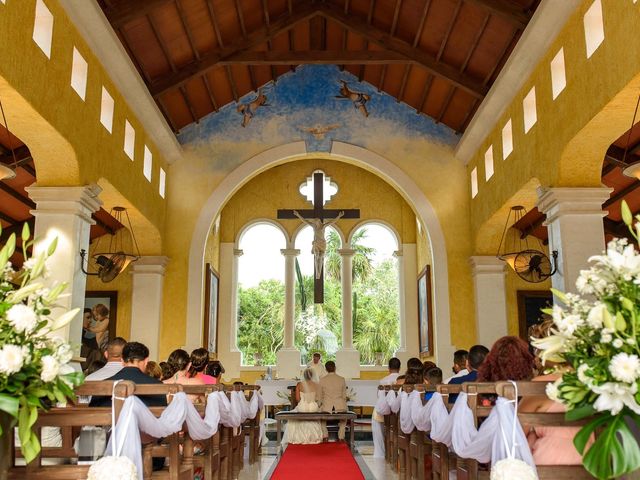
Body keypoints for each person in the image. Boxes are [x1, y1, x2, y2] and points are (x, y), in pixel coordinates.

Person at [519, 319, 586, 465]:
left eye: (537, 349)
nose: (536, 358)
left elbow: (516, 434)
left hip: (553, 459)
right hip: (594, 459)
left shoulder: (540, 385)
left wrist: (532, 438)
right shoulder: (593, 379)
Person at [90, 342, 167, 408]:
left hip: (110, 424)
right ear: (146, 361)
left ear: (122, 361)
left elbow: (92, 412)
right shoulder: (158, 386)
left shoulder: (102, 385)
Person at [293, 210, 344, 278]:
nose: (315, 223)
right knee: (317, 256)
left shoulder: (324, 226)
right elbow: (305, 221)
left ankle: (319, 272)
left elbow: (333, 221)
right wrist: (298, 215)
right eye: (315, 222)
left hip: (323, 243)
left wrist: (339, 216)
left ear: (319, 221)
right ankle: (317, 272)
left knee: (321, 257)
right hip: (316, 243)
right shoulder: (314, 226)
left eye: (316, 222)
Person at [283, 368, 324, 445]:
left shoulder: (299, 384)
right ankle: (314, 437)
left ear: (304, 376)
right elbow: (318, 398)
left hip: (303, 405)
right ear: (312, 375)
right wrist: (312, 402)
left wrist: (304, 403)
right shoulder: (317, 385)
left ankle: (299, 437)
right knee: (314, 413)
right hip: (313, 406)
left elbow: (297, 399)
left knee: (295, 415)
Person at [319, 361, 347, 440]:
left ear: (326, 369)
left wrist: (319, 404)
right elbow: (344, 396)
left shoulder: (322, 380)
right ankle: (341, 435)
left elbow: (320, 396)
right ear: (335, 368)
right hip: (340, 406)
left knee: (321, 415)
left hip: (327, 407)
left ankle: (325, 435)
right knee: (344, 417)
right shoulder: (342, 379)